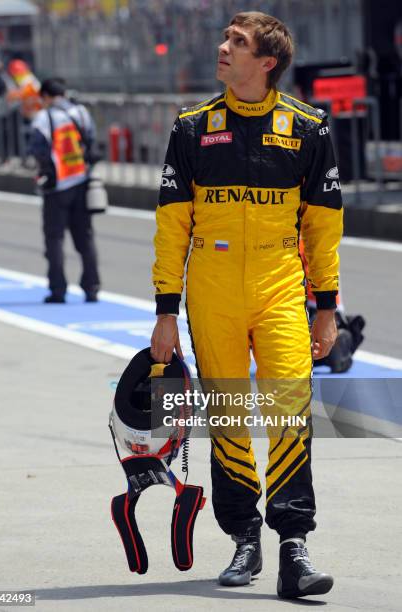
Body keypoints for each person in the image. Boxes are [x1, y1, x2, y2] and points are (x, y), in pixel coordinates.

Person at [150, 11, 343, 599]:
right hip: (211, 294)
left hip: (281, 287)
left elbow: (324, 228)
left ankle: (293, 547)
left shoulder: (308, 127)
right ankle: (244, 540)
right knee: (230, 417)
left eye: (238, 43)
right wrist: (165, 311)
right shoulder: (190, 127)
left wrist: (328, 308)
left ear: (268, 63)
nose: (223, 48)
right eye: (226, 38)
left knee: (289, 412)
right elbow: (171, 228)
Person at [29, 78, 100, 303]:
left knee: (54, 239)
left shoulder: (43, 117)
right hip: (81, 181)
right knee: (85, 238)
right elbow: (91, 143)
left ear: (47, 96)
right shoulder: (80, 112)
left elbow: (38, 150)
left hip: (56, 187)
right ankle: (92, 287)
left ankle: (58, 290)